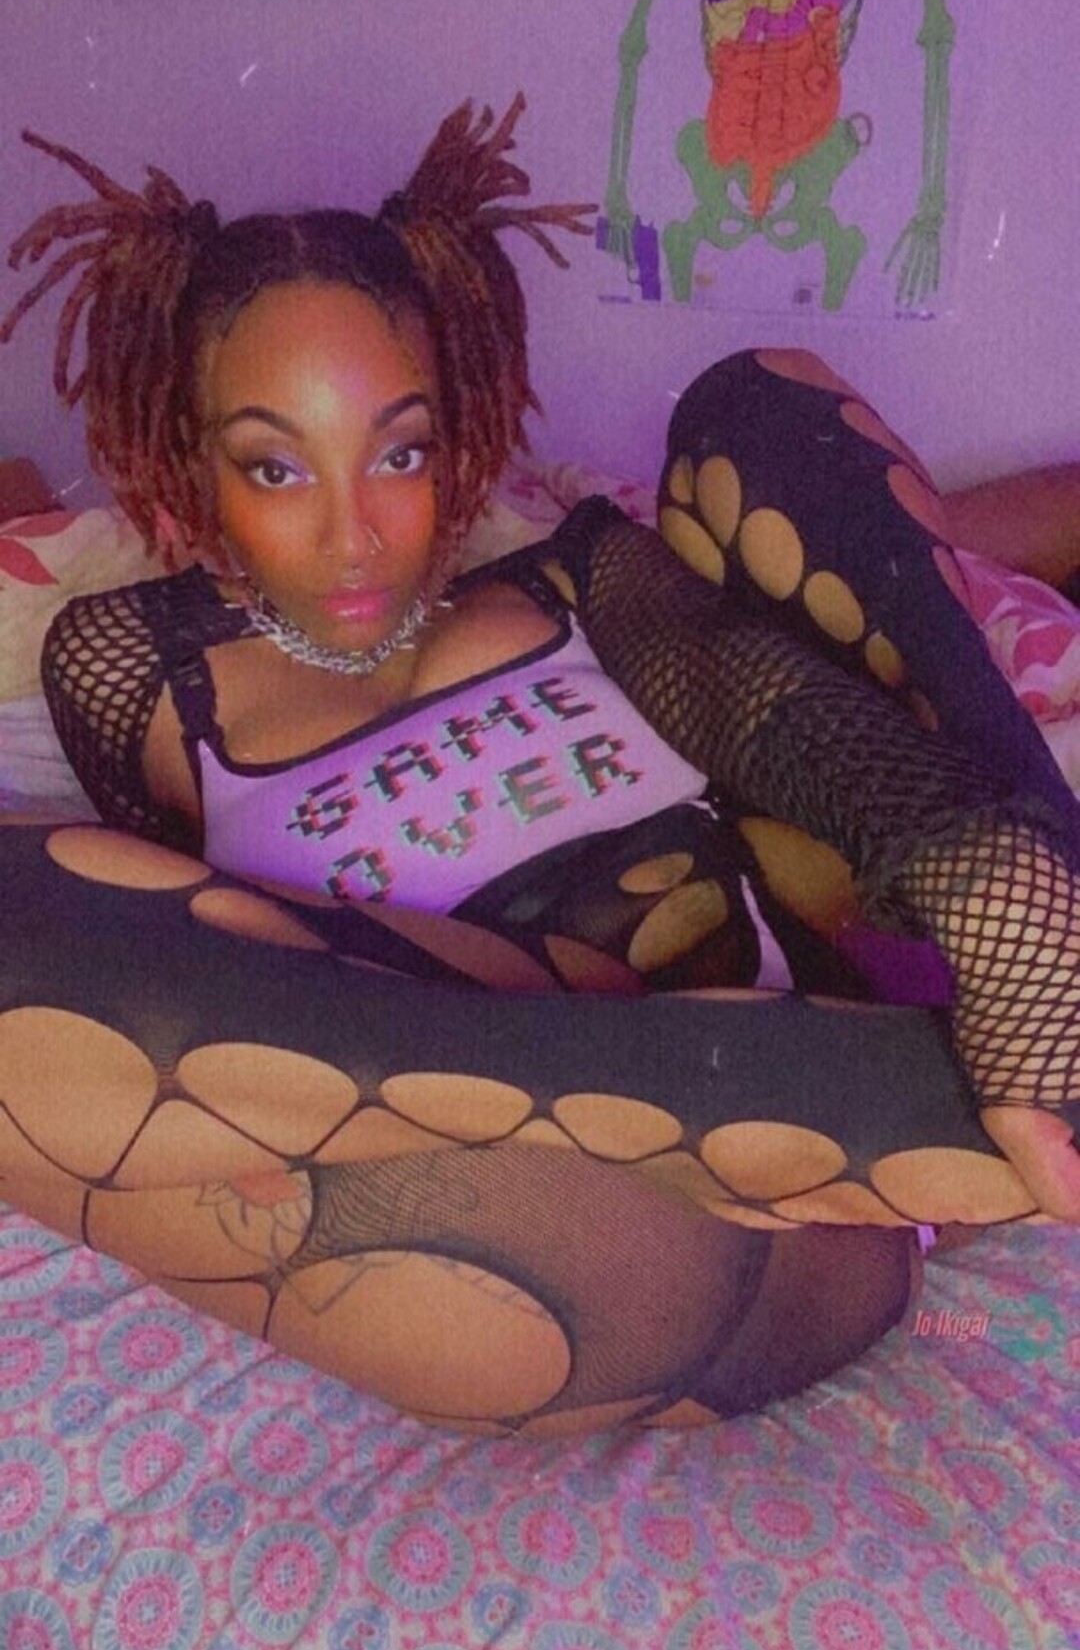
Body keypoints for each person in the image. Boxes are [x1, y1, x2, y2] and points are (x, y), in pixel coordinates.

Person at [2, 97, 1078, 1421]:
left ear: (457, 437)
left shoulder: (577, 575)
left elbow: (769, 707)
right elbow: (203, 960)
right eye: (276, 469)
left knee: (759, 400)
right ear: (190, 461)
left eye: (399, 453)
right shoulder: (135, 664)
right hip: (558, 1245)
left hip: (825, 1231)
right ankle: (690, 1088)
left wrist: (988, 884)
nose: (354, 534)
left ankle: (1033, 885)